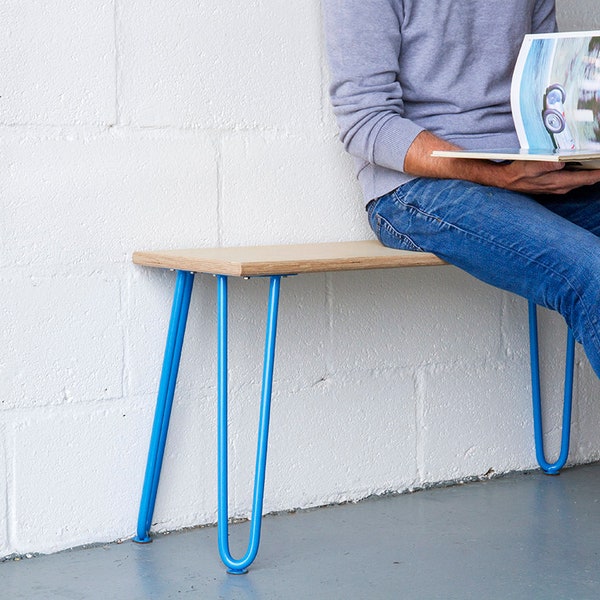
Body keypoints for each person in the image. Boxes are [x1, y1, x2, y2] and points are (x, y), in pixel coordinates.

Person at [321, 0, 600, 377]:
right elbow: (365, 121)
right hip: (417, 188)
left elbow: (544, 86)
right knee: (591, 273)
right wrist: (497, 174)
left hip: (528, 167)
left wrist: (577, 145)